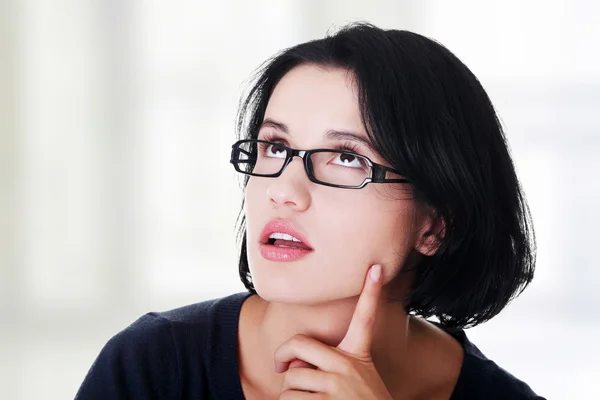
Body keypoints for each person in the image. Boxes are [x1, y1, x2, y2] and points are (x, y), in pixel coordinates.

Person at [75, 22, 545, 399]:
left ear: (436, 225)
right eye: (275, 146)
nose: (283, 191)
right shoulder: (152, 367)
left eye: (346, 158)